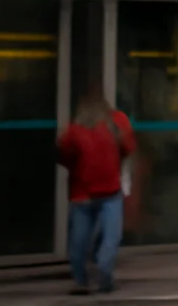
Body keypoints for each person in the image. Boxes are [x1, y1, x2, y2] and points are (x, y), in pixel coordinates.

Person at [58, 95, 136, 295]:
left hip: (81, 194)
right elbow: (128, 148)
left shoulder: (73, 131)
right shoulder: (114, 126)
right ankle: (104, 275)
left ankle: (81, 281)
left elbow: (62, 155)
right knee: (111, 237)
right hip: (110, 191)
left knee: (79, 240)